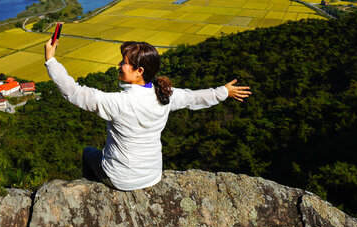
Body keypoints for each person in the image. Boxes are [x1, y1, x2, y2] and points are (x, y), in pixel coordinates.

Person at [44, 38, 251, 191]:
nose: (119, 65)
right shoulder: (165, 95)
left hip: (120, 178)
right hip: (152, 175)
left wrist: (51, 60)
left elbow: (73, 92)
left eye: (124, 62)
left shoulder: (119, 102)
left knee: (88, 152)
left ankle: (92, 193)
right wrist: (223, 92)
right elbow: (193, 98)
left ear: (139, 71)